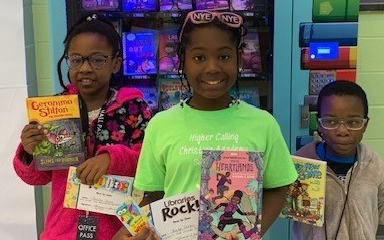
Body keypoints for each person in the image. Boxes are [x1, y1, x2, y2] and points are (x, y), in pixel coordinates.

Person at [114, 10, 298, 240]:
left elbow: (278, 187)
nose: (212, 68)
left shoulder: (263, 124)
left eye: (224, 57)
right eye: (199, 58)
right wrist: (133, 231)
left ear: (239, 60)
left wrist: (251, 233)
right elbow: (153, 195)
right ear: (182, 62)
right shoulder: (160, 125)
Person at [14, 12, 152, 240]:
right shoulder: (53, 109)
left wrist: (111, 158)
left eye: (97, 59)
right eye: (76, 60)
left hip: (119, 231)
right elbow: (36, 178)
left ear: (115, 63)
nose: (85, 68)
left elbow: (151, 163)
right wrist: (29, 152)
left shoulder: (133, 109)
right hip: (64, 231)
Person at [292, 81, 384, 240]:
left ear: (365, 125)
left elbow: (383, 209)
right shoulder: (301, 164)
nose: (342, 131)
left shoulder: (373, 164)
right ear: (319, 124)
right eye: (331, 122)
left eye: (353, 122)